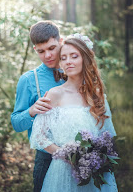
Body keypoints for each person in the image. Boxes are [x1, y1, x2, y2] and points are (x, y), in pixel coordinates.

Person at [30, 33, 118, 191]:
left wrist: (96, 158)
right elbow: (38, 136)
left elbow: (108, 135)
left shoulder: (98, 96)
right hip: (62, 172)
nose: (68, 61)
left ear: (85, 59)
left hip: (94, 171)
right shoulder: (54, 94)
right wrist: (68, 154)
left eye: (74, 56)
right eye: (63, 58)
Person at [11, 21, 65, 192]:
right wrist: (32, 111)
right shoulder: (28, 80)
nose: (48, 55)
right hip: (47, 158)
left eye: (51, 48)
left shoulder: (75, 72)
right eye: (41, 51)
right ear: (35, 49)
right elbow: (16, 123)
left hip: (80, 152)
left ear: (61, 42)